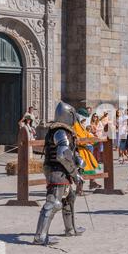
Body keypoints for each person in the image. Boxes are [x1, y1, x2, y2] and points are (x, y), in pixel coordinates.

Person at [33, 102, 86, 246]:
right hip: (57, 170)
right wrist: (74, 173)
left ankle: (71, 229)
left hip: (62, 170)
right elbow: (63, 154)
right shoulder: (60, 131)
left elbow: (71, 152)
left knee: (69, 198)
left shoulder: (65, 131)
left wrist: (79, 161)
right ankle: (40, 236)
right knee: (54, 202)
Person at [73, 108, 102, 193]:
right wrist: (84, 140)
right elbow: (76, 137)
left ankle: (92, 182)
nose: (85, 121)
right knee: (81, 169)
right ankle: (79, 189)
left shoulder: (81, 125)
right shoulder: (75, 125)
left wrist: (94, 139)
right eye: (84, 118)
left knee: (91, 165)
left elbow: (86, 134)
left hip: (85, 150)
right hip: (78, 150)